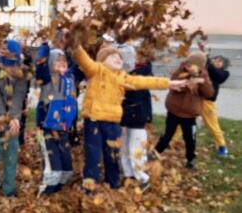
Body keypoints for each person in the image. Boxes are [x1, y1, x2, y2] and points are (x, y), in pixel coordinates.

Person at [70, 42, 186, 192]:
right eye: (113, 56)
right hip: (94, 122)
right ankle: (89, 188)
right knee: (93, 156)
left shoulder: (123, 77)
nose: (118, 59)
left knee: (112, 156)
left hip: (112, 124)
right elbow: (83, 58)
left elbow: (143, 82)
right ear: (101, 60)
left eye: (120, 57)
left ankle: (113, 184)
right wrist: (75, 42)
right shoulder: (96, 70)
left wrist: (168, 83)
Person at [0, 40, 29, 198]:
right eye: (5, 62)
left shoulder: (22, 72)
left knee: (11, 154)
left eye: (11, 63)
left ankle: (9, 189)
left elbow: (18, 95)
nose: (8, 67)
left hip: (12, 119)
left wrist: (14, 117)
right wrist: (0, 117)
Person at [155, 51, 214, 169]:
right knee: (167, 135)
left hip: (190, 115)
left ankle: (190, 159)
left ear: (201, 66)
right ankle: (156, 152)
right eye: (189, 63)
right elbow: (173, 87)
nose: (190, 66)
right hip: (174, 111)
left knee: (190, 139)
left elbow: (209, 94)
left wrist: (202, 82)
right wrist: (187, 82)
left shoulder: (204, 76)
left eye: (194, 64)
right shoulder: (180, 71)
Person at [35, 43, 77, 195]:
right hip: (47, 127)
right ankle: (47, 190)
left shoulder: (70, 79)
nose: (62, 64)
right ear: (50, 63)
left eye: (64, 61)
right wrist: (45, 45)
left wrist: (73, 42)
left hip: (64, 127)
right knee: (53, 164)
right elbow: (40, 67)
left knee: (67, 163)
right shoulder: (47, 80)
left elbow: (78, 64)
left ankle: (58, 187)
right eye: (57, 61)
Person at [120, 50, 155, 192]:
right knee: (124, 148)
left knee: (136, 149)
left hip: (135, 118)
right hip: (125, 117)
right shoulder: (125, 73)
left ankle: (142, 177)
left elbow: (133, 102)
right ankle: (129, 175)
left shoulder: (139, 76)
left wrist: (122, 121)